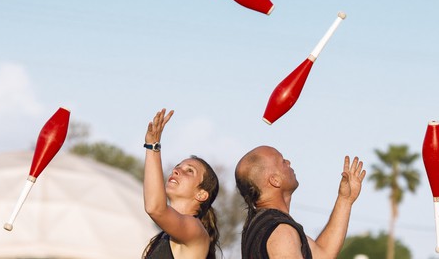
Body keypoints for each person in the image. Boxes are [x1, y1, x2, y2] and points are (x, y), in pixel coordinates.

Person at [235, 145, 366, 259]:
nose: (288, 162)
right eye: (282, 161)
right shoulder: (281, 232)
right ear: (275, 180)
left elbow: (323, 254)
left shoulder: (265, 226)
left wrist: (345, 200)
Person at [142, 108, 220, 259]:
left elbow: (155, 208)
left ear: (202, 194)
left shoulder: (195, 230)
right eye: (177, 166)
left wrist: (153, 146)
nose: (176, 170)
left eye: (189, 171)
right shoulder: (162, 238)